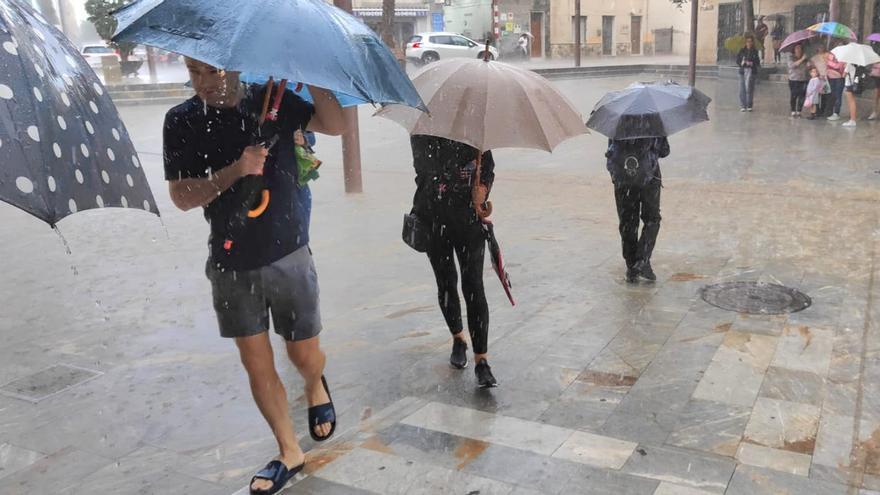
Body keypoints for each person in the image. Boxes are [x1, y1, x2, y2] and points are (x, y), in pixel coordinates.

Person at [163, 58, 345, 495]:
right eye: (194, 71)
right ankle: (289, 450)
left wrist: (317, 74)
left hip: (288, 251)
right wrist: (234, 171)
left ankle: (315, 383)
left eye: (213, 71)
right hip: (230, 260)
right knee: (255, 361)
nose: (204, 82)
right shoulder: (182, 120)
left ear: (238, 67)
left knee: (305, 356)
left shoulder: (274, 99)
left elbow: (336, 124)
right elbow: (182, 197)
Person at [410, 134, 498, 388]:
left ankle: (482, 359)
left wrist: (483, 187)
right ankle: (458, 338)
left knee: (474, 287)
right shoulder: (421, 134)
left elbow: (489, 168)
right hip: (433, 221)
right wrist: (455, 173)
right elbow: (424, 173)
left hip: (469, 224)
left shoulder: (476, 134)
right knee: (446, 282)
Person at [605, 137, 670, 283]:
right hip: (649, 176)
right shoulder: (653, 121)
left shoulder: (617, 122)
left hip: (623, 178)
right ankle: (642, 260)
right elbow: (664, 151)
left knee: (628, 221)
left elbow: (611, 151)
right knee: (652, 219)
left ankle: (631, 265)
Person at [737, 34, 761, 112]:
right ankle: (743, 105)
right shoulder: (742, 51)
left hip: (751, 72)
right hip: (743, 71)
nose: (749, 43)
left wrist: (751, 63)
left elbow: (757, 62)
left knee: (750, 89)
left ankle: (749, 105)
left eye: (750, 41)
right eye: (747, 41)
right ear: (745, 42)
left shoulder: (755, 51)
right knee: (742, 89)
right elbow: (737, 61)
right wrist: (742, 62)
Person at [787, 44, 809, 117]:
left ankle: (799, 111)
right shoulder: (791, 57)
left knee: (802, 96)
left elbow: (809, 67)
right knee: (794, 95)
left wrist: (809, 64)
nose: (798, 49)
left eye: (800, 48)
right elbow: (792, 65)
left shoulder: (805, 58)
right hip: (793, 79)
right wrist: (802, 59)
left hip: (804, 79)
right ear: (794, 49)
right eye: (797, 48)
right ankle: (793, 111)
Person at [825, 46, 846, 121]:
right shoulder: (830, 55)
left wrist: (831, 64)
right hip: (830, 77)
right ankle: (830, 111)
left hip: (839, 78)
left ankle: (836, 113)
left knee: (838, 95)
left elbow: (839, 66)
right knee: (832, 95)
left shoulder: (843, 56)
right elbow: (827, 64)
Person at [811, 44, 832, 116]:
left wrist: (825, 59)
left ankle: (823, 110)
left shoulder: (827, 55)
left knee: (825, 95)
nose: (821, 48)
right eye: (819, 47)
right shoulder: (814, 57)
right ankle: (816, 110)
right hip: (817, 78)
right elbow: (812, 66)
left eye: (822, 47)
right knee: (816, 95)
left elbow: (830, 64)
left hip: (825, 78)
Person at [842, 61, 859, 127]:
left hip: (849, 84)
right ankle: (852, 119)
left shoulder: (849, 64)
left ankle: (852, 120)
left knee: (851, 102)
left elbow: (843, 75)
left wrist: (845, 67)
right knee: (852, 101)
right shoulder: (858, 64)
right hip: (854, 83)